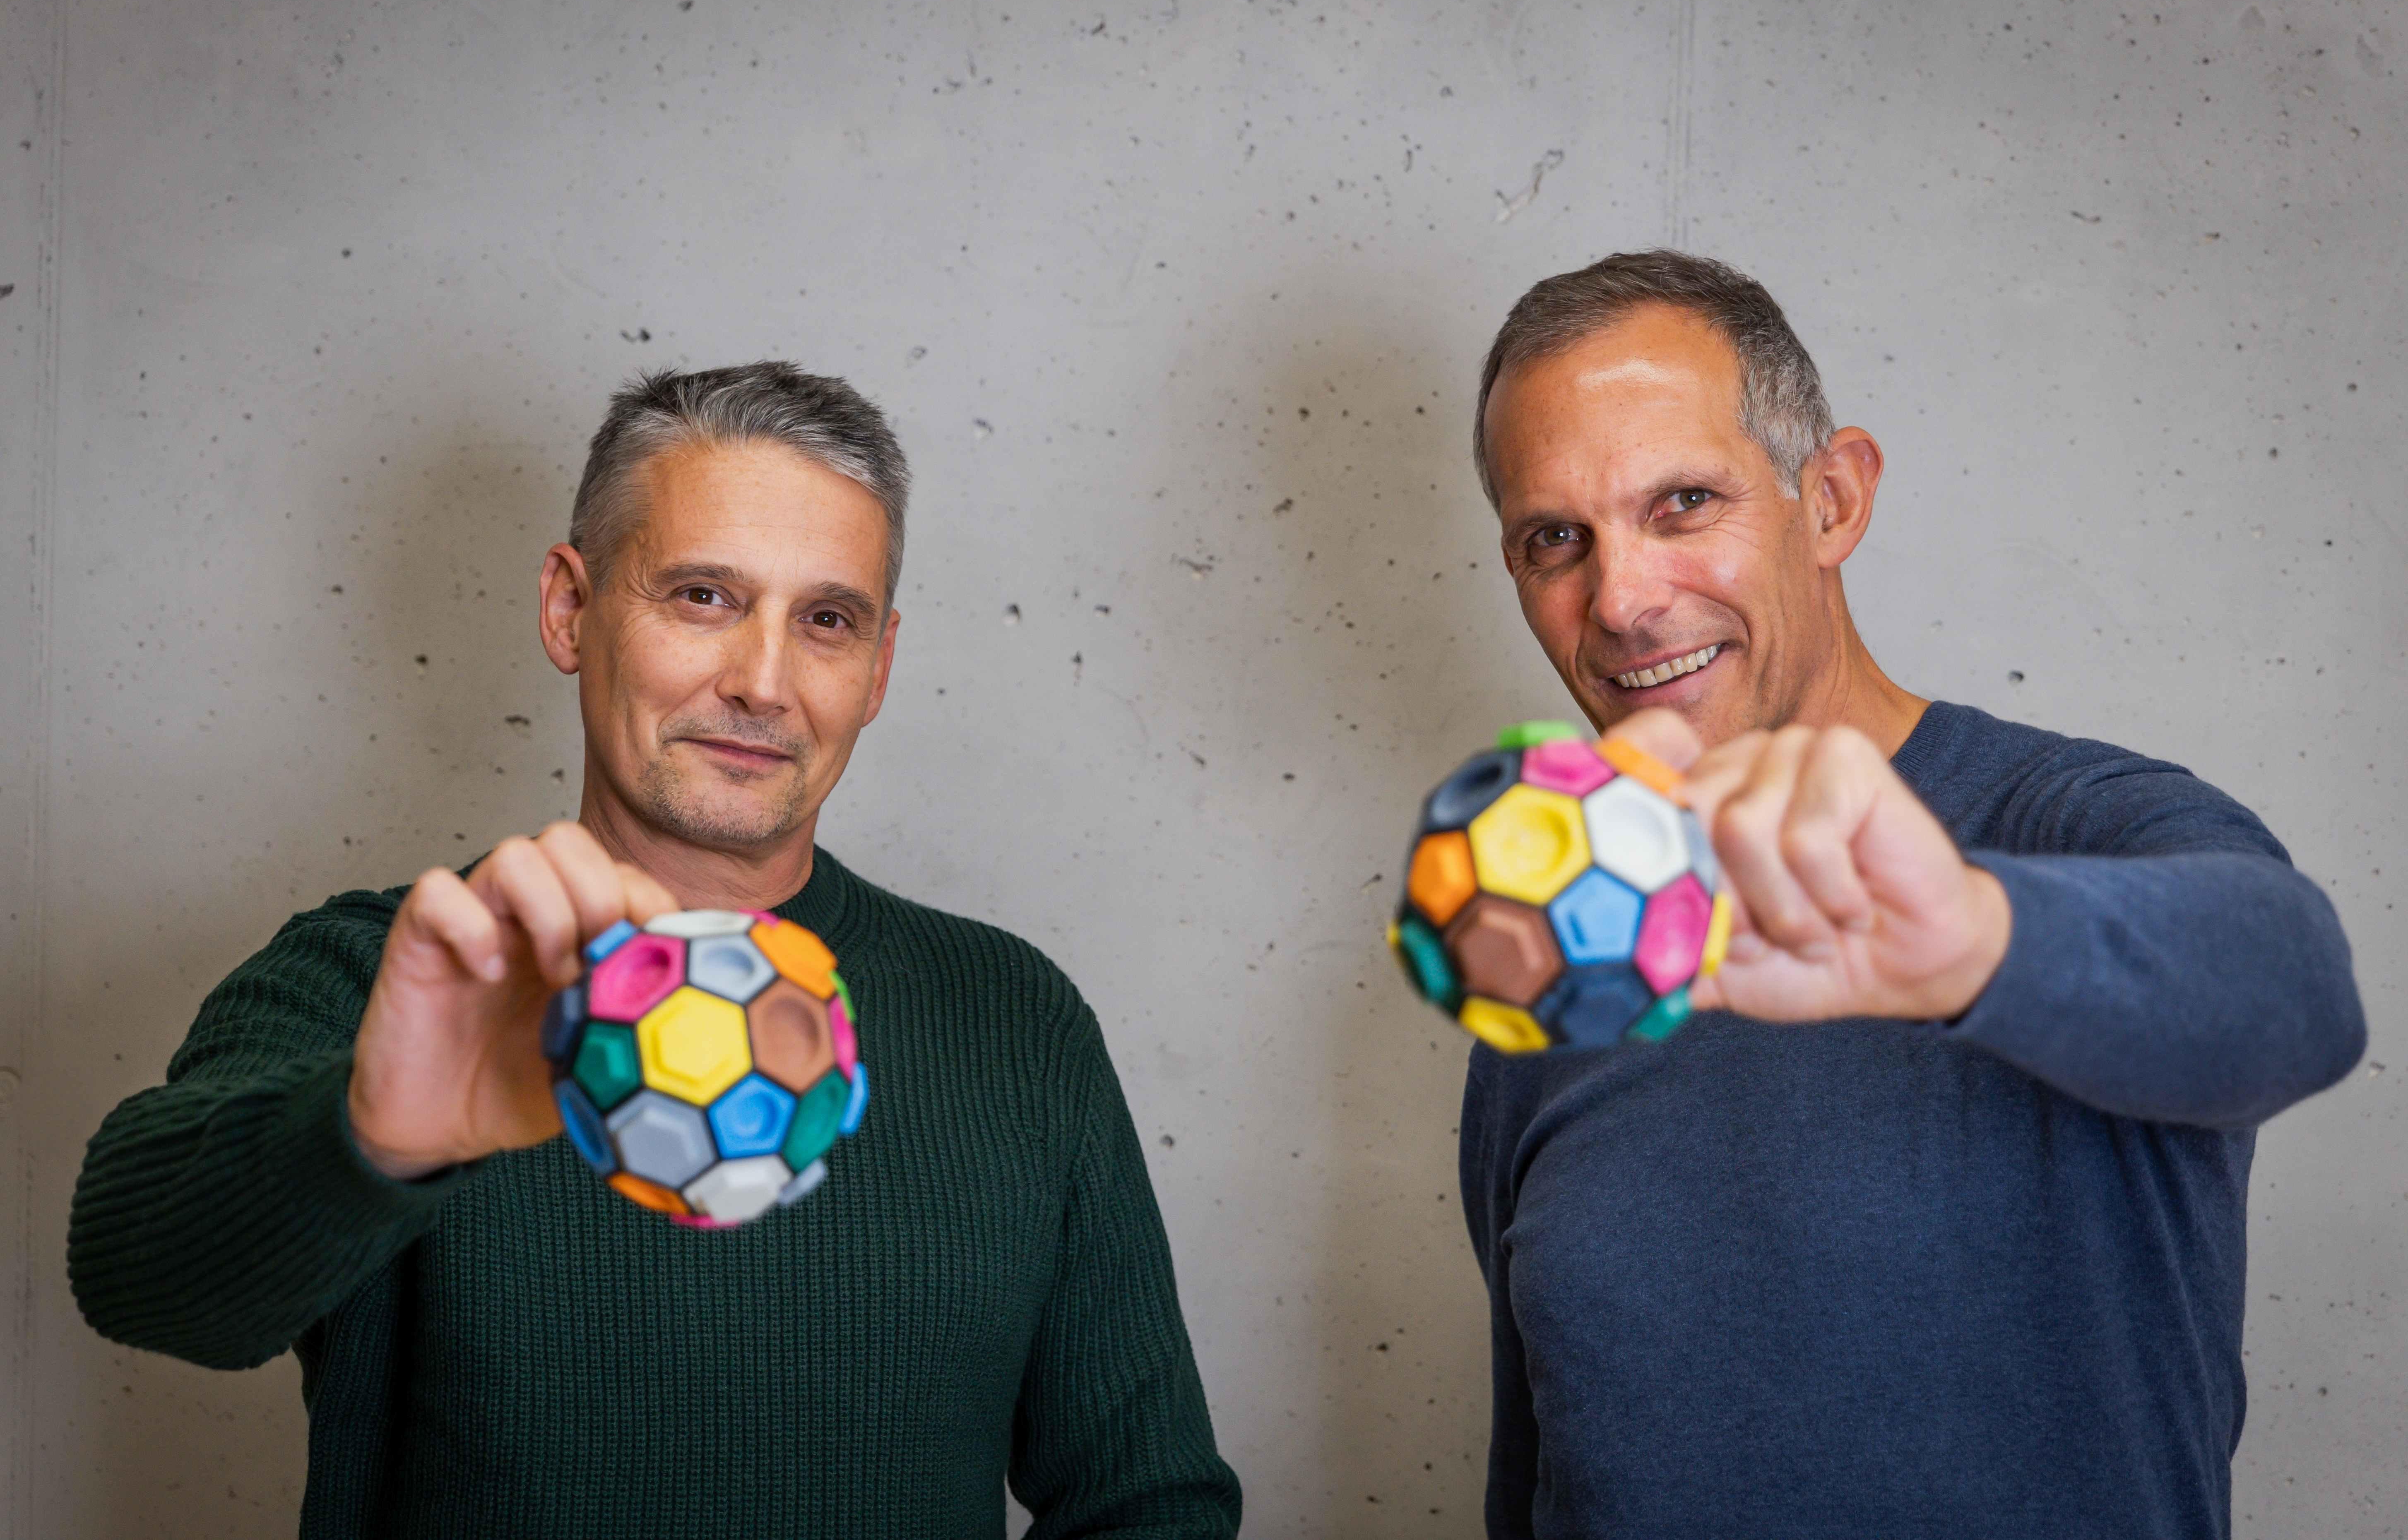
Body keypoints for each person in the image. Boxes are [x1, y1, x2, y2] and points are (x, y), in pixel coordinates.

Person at [69, 363, 1242, 1539]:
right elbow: (140, 1282)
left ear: (878, 667)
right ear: (568, 610)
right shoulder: (394, 980)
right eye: (703, 597)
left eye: (826, 621)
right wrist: (372, 1134)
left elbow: (1148, 1504)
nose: (763, 685)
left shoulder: (1012, 1016)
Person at [1459, 250, 2364, 1540]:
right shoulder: (1558, 946)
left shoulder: (2073, 824)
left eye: (1684, 503)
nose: (1620, 600)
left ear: (1830, 500)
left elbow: (2299, 992)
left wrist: (1970, 939)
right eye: (1556, 540)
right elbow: (1537, 1470)